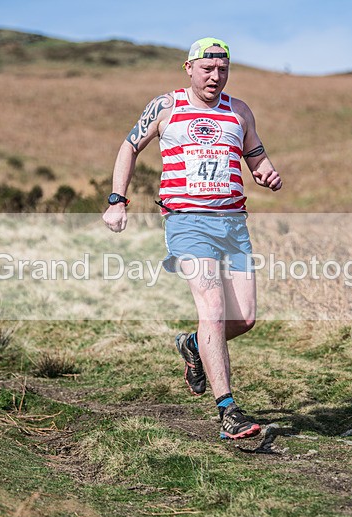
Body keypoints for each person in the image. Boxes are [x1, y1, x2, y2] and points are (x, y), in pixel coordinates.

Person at [103, 37, 282, 440]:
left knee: (245, 318)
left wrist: (266, 171)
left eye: (222, 70)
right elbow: (129, 147)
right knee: (213, 309)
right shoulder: (166, 107)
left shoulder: (239, 111)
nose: (215, 77)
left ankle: (192, 345)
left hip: (233, 225)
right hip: (187, 223)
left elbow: (255, 154)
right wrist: (117, 200)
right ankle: (228, 412)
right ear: (189, 68)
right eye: (207, 69)